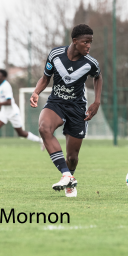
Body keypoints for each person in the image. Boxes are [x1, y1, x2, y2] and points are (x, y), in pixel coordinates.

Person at [29, 24, 102, 198]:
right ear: (75, 41)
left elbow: (98, 77)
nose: (89, 46)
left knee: (72, 157)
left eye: (90, 42)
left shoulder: (91, 63)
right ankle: (67, 176)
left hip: (77, 109)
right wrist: (36, 92)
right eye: (86, 42)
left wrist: (97, 101)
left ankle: (69, 176)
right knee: (44, 128)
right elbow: (46, 77)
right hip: (57, 103)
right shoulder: (55, 55)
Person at [0, 69, 45, 161]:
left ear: (4, 77)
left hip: (12, 112)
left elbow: (9, 102)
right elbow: (2, 100)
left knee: (21, 133)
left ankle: (40, 141)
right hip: (4, 112)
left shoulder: (6, 86)